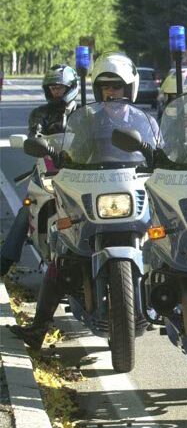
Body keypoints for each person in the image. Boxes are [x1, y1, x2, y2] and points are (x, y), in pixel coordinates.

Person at [7, 53, 156, 350]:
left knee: (167, 244)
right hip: (96, 194)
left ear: (130, 89)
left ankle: (183, 316)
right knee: (62, 250)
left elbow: (160, 157)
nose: (111, 93)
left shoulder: (147, 121)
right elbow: (71, 154)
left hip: (132, 193)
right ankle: (39, 328)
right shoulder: (86, 121)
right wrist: (59, 154)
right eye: (105, 88)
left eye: (117, 86)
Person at [0, 65, 79, 277]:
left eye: (60, 88)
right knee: (28, 208)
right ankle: (5, 261)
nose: (56, 92)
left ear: (71, 87)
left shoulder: (84, 113)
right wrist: (34, 141)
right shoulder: (40, 114)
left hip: (78, 170)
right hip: (47, 169)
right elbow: (34, 136)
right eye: (53, 88)